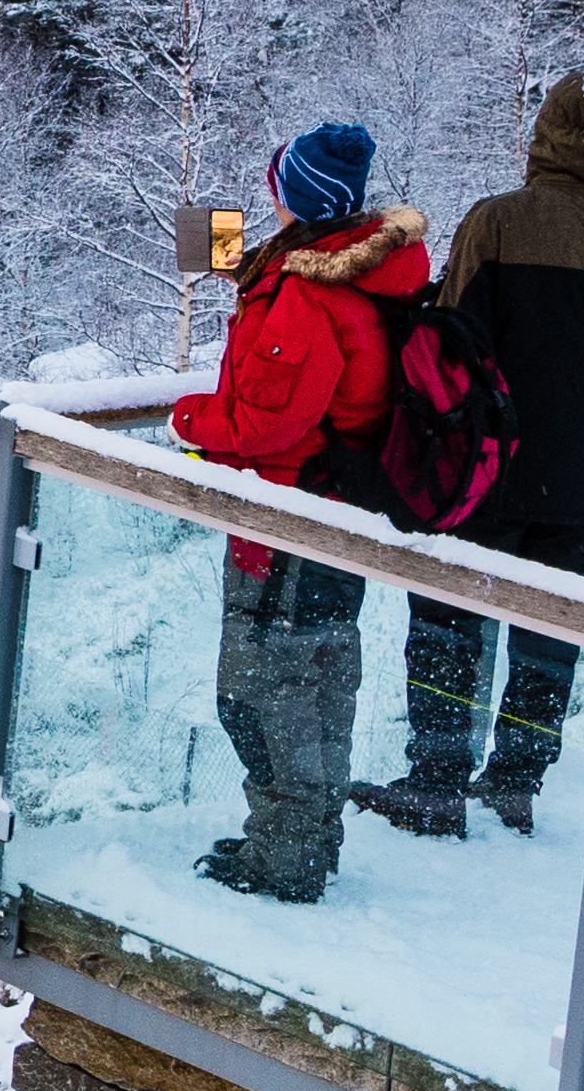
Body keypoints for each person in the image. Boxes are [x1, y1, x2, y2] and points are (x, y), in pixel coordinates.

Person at [355, 75, 584, 838]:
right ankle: (515, 781)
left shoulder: (497, 222)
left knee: (447, 617)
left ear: (544, 131)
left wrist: (420, 465)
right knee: (551, 627)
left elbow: (444, 349)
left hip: (483, 469)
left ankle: (436, 777)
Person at [172, 120, 425, 900]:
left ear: (298, 198)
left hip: (283, 524)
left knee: (258, 692)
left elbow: (263, 423)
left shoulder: (305, 295)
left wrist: (188, 419)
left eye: (277, 185)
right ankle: (306, 842)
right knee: (318, 682)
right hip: (336, 515)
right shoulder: (363, 271)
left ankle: (281, 860)